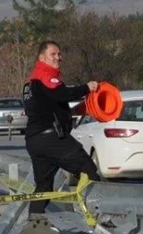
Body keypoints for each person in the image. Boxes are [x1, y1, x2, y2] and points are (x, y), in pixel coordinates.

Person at [22, 40, 100, 216]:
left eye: (59, 54)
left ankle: (34, 227)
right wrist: (86, 88)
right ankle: (99, 218)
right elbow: (62, 94)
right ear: (41, 58)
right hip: (52, 139)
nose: (58, 57)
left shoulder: (31, 83)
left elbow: (49, 106)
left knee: (43, 187)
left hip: (35, 140)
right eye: (53, 54)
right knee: (89, 170)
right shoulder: (46, 76)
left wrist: (75, 110)